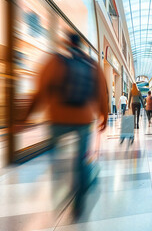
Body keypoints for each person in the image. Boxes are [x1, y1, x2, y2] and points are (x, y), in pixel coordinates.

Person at [21, 33, 108, 216]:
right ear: (81, 45)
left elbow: (40, 91)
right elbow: (101, 93)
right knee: (81, 160)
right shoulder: (92, 65)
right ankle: (79, 199)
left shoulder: (55, 61)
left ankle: (60, 191)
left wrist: (25, 117)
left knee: (56, 157)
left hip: (57, 119)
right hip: (83, 120)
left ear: (67, 43)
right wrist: (104, 116)